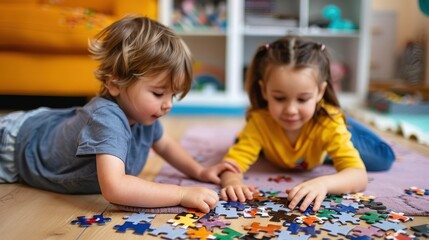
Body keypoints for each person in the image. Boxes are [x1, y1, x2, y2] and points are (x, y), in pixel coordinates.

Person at [0, 16, 239, 213]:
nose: (167, 105)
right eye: (158, 93)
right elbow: (116, 188)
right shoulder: (107, 118)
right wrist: (181, 193)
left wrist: (200, 172)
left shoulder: (145, 113)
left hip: (45, 126)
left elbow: (165, 144)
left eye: (172, 95)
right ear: (115, 84)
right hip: (15, 144)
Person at [219, 36, 395, 212]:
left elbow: (358, 176)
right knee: (240, 144)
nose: (291, 110)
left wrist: (324, 183)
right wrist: (233, 182)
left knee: (383, 158)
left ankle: (346, 123)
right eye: (279, 98)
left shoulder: (328, 124)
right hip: (306, 143)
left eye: (302, 99)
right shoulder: (259, 121)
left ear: (320, 92)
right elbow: (229, 166)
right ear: (264, 90)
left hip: (323, 130)